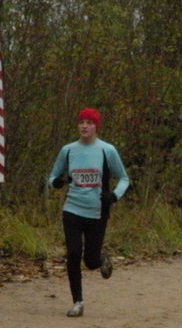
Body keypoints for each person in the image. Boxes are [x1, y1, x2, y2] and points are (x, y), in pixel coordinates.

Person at [48, 108, 129, 317]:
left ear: (96, 127)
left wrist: (114, 195)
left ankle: (100, 259)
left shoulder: (107, 150)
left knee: (90, 261)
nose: (85, 126)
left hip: (97, 212)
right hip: (72, 209)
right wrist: (56, 182)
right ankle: (78, 302)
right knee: (73, 254)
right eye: (82, 122)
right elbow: (53, 176)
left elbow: (124, 178)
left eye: (89, 123)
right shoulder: (68, 150)